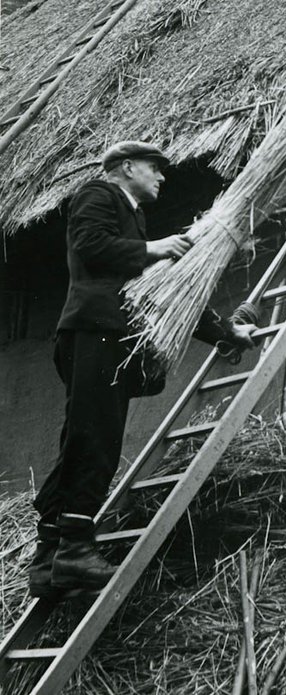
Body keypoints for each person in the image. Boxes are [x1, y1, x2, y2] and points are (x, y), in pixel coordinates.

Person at [28, 141, 256, 599]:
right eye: (155, 168)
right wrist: (153, 247)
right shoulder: (97, 194)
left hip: (107, 335)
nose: (162, 176)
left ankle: (50, 558)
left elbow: (164, 295)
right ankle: (74, 549)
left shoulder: (132, 216)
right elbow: (90, 246)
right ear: (126, 167)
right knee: (95, 437)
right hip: (94, 331)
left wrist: (225, 333)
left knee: (83, 438)